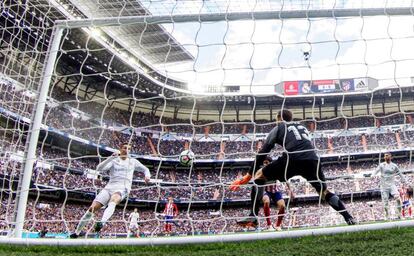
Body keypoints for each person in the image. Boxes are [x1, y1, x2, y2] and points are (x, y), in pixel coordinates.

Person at [230, 109, 356, 227]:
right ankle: (348, 217)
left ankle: (253, 215)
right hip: (312, 160)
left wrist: (248, 175)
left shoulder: (279, 127)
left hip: (293, 159)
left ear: (279, 118)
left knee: (259, 175)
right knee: (324, 192)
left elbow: (263, 152)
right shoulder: (302, 127)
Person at [70, 143, 151, 238]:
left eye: (129, 148)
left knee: (114, 200)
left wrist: (147, 176)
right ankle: (77, 232)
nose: (127, 150)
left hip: (123, 187)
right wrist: (110, 158)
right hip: (109, 187)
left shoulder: (133, 161)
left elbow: (145, 169)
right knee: (92, 208)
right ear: (120, 149)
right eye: (125, 148)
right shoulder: (114, 160)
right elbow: (99, 168)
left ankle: (101, 223)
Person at [371, 152, 410, 219]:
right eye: (385, 156)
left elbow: (400, 173)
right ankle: (386, 215)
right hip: (384, 186)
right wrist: (372, 175)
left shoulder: (394, 166)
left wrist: (404, 181)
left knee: (398, 199)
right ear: (384, 157)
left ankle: (399, 215)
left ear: (390, 157)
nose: (386, 157)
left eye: (387, 156)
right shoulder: (381, 165)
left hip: (392, 185)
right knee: (385, 202)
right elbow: (376, 171)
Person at [262, 156, 294, 231]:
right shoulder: (261, 171)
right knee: (266, 201)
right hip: (266, 191)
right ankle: (269, 225)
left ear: (270, 163)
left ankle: (278, 225)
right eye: (264, 163)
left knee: (282, 205)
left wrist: (290, 191)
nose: (265, 164)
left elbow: (285, 179)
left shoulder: (275, 170)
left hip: (275, 190)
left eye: (266, 163)